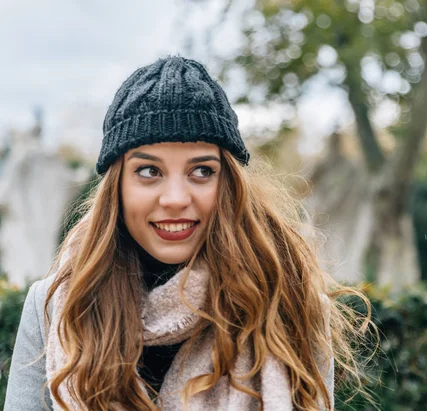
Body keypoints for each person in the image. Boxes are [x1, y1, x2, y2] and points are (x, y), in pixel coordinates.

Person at [4, 56, 371, 410]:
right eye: (149, 171)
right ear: (117, 186)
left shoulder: (288, 304)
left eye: (201, 171)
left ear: (228, 184)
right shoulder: (55, 306)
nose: (176, 199)